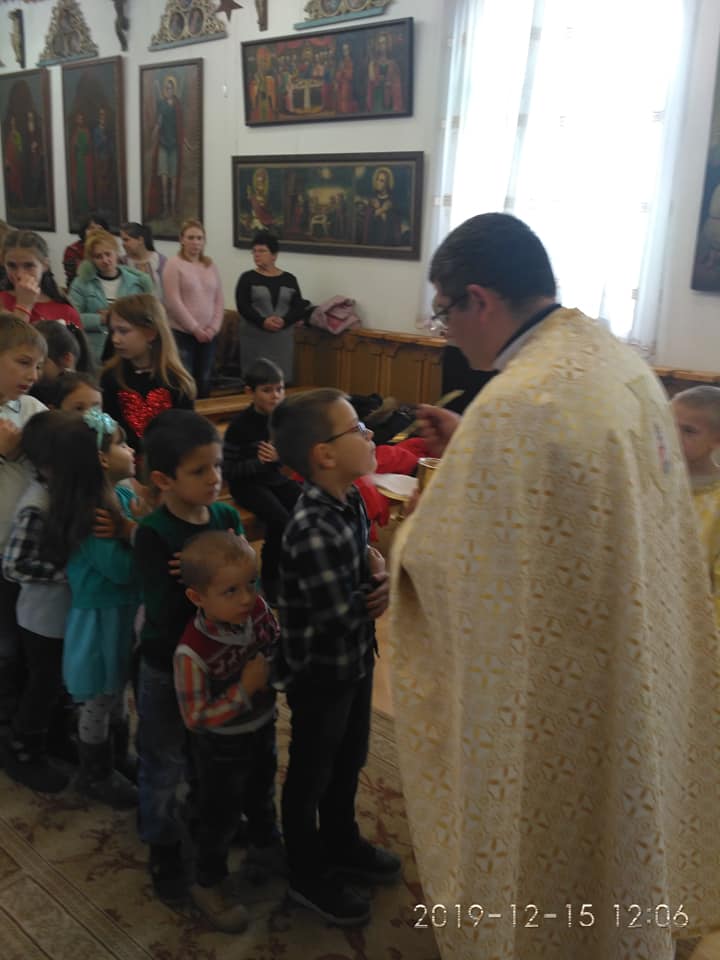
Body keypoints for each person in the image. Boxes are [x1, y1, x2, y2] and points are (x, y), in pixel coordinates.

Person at [387, 213, 720, 960]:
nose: (446, 334)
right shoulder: (616, 361)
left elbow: (442, 559)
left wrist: (404, 540)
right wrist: (472, 446)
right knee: (620, 813)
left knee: (555, 830)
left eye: (444, 313)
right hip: (634, 644)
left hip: (566, 678)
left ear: (479, 299)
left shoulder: (520, 402)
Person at [270, 388, 399, 926]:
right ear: (324, 454)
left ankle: (341, 840)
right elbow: (336, 613)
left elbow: (362, 559)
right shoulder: (313, 526)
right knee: (312, 770)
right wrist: (378, 591)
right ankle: (306, 870)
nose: (369, 434)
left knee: (350, 756)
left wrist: (375, 569)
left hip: (355, 659)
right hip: (321, 671)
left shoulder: (348, 499)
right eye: (357, 429)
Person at [133, 410, 243, 904]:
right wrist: (203, 579)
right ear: (164, 480)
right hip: (167, 667)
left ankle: (207, 822)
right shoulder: (154, 533)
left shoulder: (225, 518)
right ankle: (162, 847)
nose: (215, 478)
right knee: (163, 759)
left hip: (220, 661)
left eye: (217, 465)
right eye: (200, 470)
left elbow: (247, 581)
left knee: (210, 754)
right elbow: (162, 612)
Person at [174, 531, 281, 931]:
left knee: (262, 792)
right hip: (220, 748)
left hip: (262, 728)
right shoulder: (192, 652)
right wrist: (245, 690)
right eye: (230, 590)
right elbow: (195, 717)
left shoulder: (257, 611)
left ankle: (264, 848)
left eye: (251, 583)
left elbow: (274, 642)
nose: (246, 598)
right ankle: (208, 882)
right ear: (198, 597)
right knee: (218, 815)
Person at [64, 408, 141, 809]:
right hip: (99, 618)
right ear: (101, 459)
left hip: (121, 612)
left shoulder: (123, 496)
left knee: (117, 688)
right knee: (99, 696)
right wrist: (138, 542)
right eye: (122, 444)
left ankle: (118, 755)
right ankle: (95, 773)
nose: (131, 450)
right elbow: (120, 570)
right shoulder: (93, 511)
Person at [1, 411, 79, 794]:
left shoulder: (61, 494)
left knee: (60, 680)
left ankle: (56, 737)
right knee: (43, 683)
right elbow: (14, 565)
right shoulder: (38, 504)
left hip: (61, 613)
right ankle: (23, 749)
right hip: (40, 618)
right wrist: (65, 574)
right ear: (50, 464)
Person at [223, 358, 300, 605]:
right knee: (279, 520)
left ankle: (296, 569)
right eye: (267, 390)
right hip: (246, 485)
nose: (275, 396)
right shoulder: (239, 426)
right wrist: (259, 463)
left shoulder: (281, 420)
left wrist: (279, 456)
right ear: (250, 392)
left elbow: (289, 457)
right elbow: (229, 471)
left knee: (305, 503)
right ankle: (270, 579)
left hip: (272, 479)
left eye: (279, 389)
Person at [0, 315, 46, 727]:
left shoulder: (32, 409)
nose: (33, 375)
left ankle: (22, 719)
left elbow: (57, 450)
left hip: (25, 548)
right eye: (23, 362)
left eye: (38, 366)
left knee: (22, 639)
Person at [100, 293, 195, 453]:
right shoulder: (110, 377)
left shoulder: (176, 381)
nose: (115, 339)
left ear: (151, 333)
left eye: (123, 331)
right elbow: (107, 433)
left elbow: (186, 435)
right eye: (112, 331)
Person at [235, 230, 311, 384]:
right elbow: (243, 306)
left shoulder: (289, 279)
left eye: (262, 251)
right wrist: (262, 321)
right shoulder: (247, 278)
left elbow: (298, 307)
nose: (257, 255)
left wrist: (284, 321)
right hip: (255, 337)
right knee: (256, 380)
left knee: (280, 380)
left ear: (274, 255)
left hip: (281, 339)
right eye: (254, 251)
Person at [672, 386, 720, 625]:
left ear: (717, 440)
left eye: (688, 431)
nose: (673, 436)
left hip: (695, 622)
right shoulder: (650, 483)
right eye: (668, 424)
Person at [69, 228, 153, 362]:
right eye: (98, 256)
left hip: (130, 351)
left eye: (108, 254)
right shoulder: (81, 283)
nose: (105, 260)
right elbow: (71, 318)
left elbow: (147, 317)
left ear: (116, 253)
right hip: (94, 352)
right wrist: (100, 319)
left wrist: (116, 317)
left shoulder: (136, 282)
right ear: (91, 260)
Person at [163, 219, 224, 399]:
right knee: (184, 380)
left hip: (209, 335)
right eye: (191, 238)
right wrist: (195, 329)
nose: (195, 242)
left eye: (199, 238)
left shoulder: (210, 265)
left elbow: (219, 299)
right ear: (181, 239)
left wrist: (213, 328)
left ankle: (204, 413)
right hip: (183, 333)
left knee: (204, 378)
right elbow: (173, 301)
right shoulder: (174, 264)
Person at [1, 231, 84, 330]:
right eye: (11, 265)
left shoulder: (66, 311)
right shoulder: (2, 301)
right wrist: (24, 306)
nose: (19, 274)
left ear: (45, 265)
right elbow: (11, 339)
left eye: (29, 265)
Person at [148, 76, 182, 221]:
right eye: (167, 88)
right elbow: (158, 122)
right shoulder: (161, 104)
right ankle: (166, 210)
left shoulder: (177, 105)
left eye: (171, 88)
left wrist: (184, 141)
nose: (168, 91)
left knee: (173, 181)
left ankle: (173, 210)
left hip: (174, 146)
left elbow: (180, 126)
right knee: (163, 182)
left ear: (174, 89)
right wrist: (154, 134)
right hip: (163, 145)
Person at [120, 222, 167, 300]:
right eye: (122, 240)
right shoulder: (122, 262)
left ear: (140, 240)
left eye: (126, 240)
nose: (123, 244)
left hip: (157, 306)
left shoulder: (160, 260)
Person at [62, 214, 109, 289]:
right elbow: (79, 276)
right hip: (79, 289)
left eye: (100, 229)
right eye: (91, 228)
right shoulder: (72, 250)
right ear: (83, 230)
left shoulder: (109, 249)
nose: (96, 232)